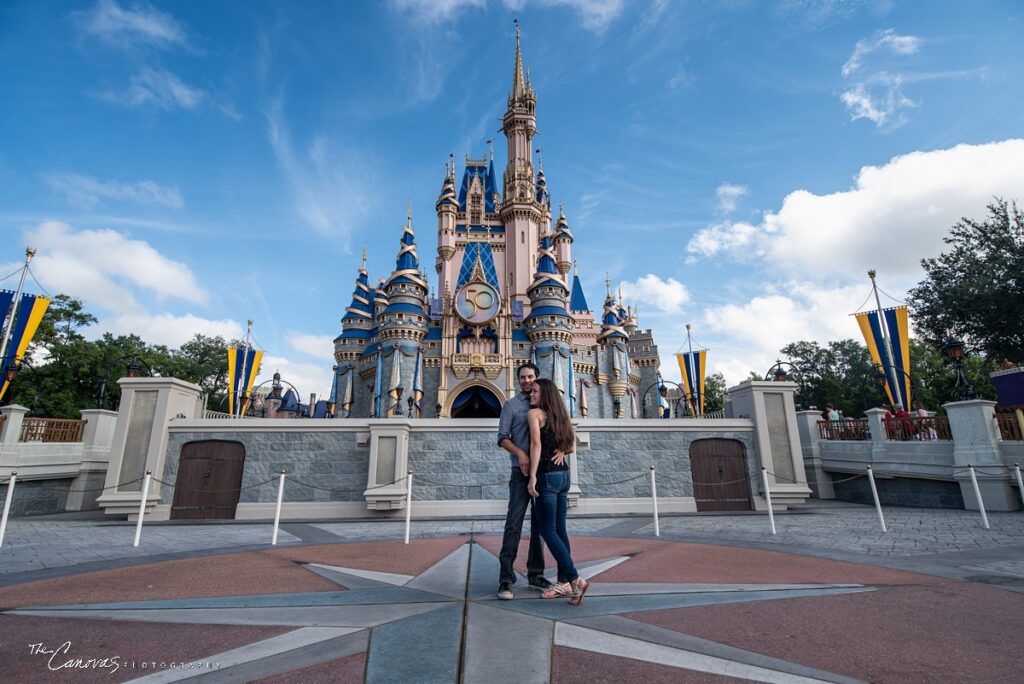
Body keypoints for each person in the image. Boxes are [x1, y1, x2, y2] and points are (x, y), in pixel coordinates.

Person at [527, 378, 591, 605]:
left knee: (547, 530)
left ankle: (575, 579)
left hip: (546, 476)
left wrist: (532, 476)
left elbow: (536, 445)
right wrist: (562, 452)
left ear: (544, 394)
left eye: (534, 391)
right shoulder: (561, 415)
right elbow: (571, 445)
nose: (531, 394)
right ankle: (565, 583)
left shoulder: (535, 414)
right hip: (563, 477)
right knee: (560, 530)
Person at [495, 362, 553, 600]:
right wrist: (520, 454)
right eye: (522, 377)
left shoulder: (547, 403)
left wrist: (562, 450)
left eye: (530, 377)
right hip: (520, 473)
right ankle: (506, 579)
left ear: (537, 378)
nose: (526, 381)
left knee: (540, 526)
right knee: (514, 524)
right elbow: (502, 438)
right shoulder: (511, 405)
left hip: (545, 472)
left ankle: (536, 574)